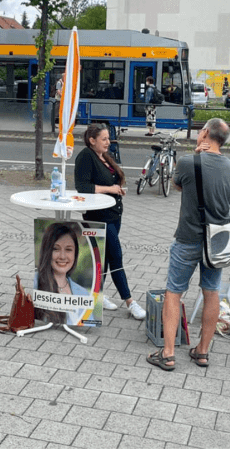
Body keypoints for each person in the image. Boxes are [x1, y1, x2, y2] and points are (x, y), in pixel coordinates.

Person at [146, 118, 230, 371]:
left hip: (188, 238)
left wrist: (194, 157)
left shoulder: (189, 162)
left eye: (200, 130)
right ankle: (202, 352)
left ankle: (167, 354)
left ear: (206, 133)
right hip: (217, 243)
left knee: (174, 292)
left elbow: (177, 185)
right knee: (211, 292)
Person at [74, 124, 146, 320]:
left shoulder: (104, 157)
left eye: (108, 138)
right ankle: (130, 302)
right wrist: (110, 190)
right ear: (92, 140)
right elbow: (82, 187)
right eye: (104, 139)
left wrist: (117, 188)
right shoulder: (86, 156)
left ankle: (97, 294)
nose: (108, 142)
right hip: (99, 216)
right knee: (116, 257)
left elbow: (111, 181)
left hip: (114, 214)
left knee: (104, 258)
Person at [34, 221, 94, 326]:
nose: (62, 256)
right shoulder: (35, 282)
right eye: (55, 249)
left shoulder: (84, 294)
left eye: (68, 250)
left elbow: (89, 325)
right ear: (46, 251)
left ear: (75, 254)